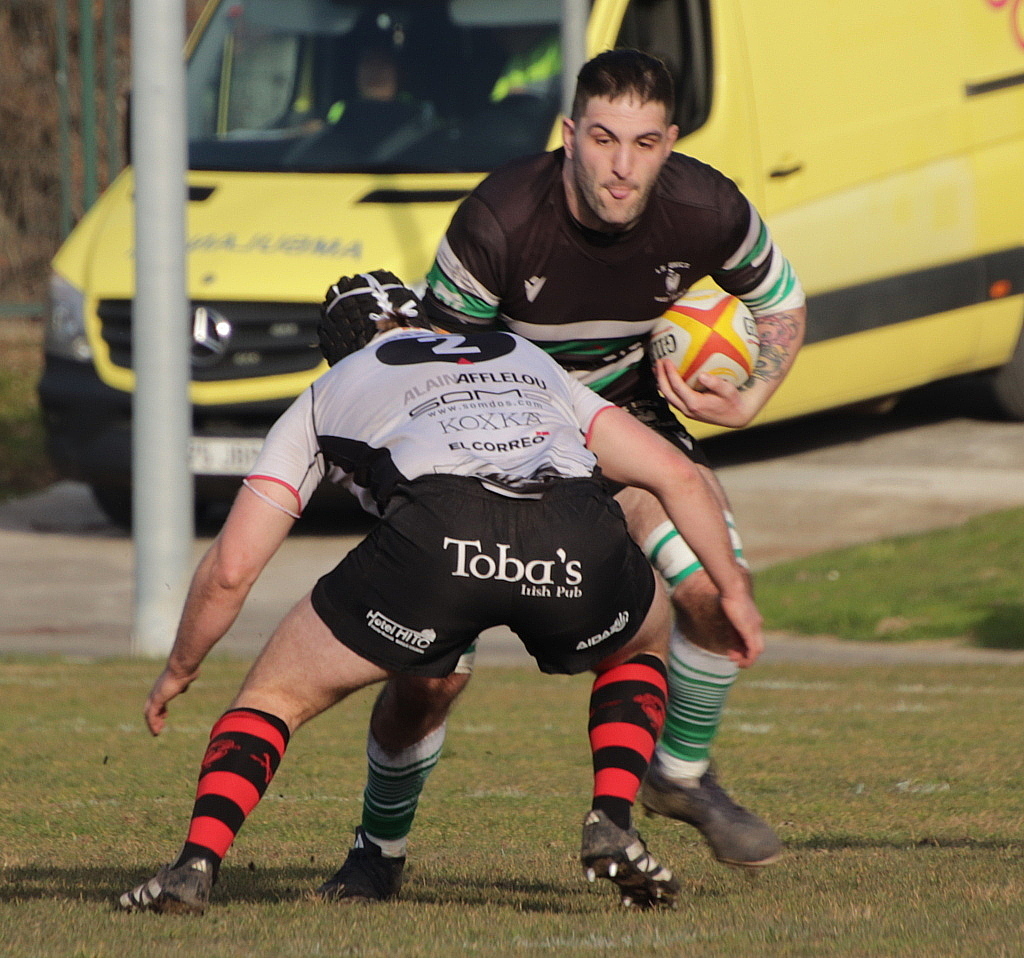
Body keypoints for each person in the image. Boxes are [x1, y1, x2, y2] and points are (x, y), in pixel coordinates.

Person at [316, 49, 807, 898]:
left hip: (625, 428)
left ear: (671, 142)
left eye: (646, 143)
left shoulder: (707, 206)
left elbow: (782, 300)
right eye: (606, 139)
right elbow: (434, 379)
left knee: (715, 598)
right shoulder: (499, 222)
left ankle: (678, 774)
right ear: (569, 134)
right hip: (490, 451)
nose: (624, 167)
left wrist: (753, 394)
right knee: (429, 679)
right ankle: (377, 853)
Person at [118, 271, 763, 915]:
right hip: (571, 532)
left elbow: (232, 567)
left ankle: (195, 865)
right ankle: (611, 817)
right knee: (639, 644)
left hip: (439, 542)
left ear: (339, 347)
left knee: (274, 696)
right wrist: (728, 585)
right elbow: (675, 474)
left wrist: (181, 666)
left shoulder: (330, 388)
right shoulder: (522, 355)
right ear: (431, 321)